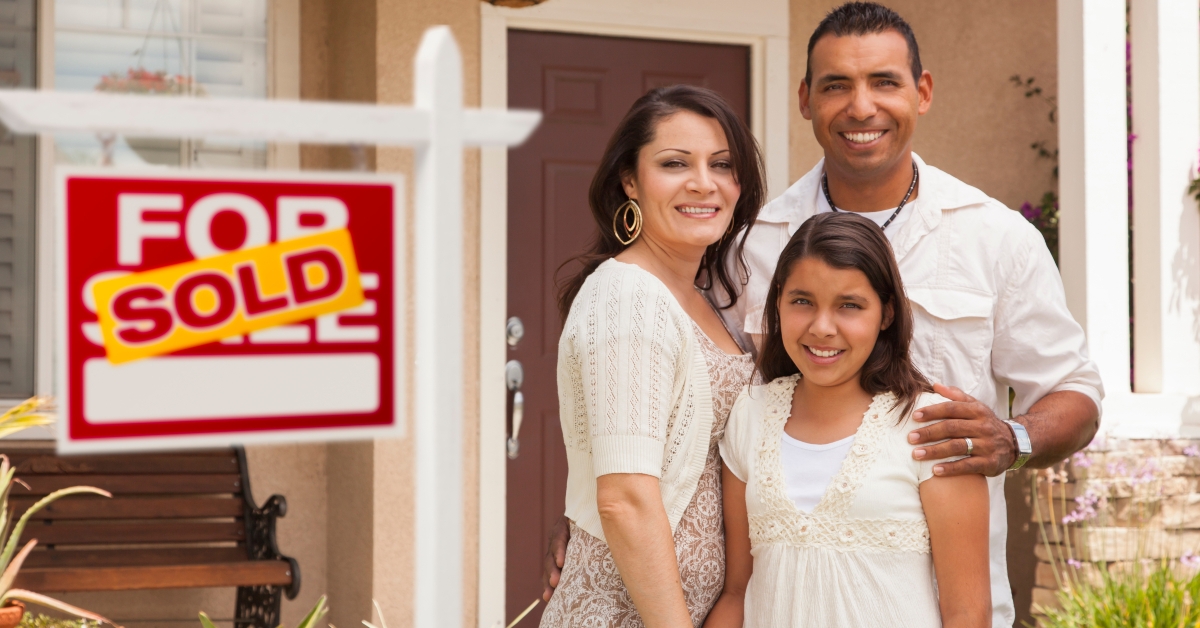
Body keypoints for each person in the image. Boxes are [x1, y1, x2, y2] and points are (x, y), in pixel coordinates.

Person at [545, 4, 1104, 626]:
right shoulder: (745, 244)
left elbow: (1074, 392)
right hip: (772, 599)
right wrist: (599, 511)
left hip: (945, 602)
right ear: (806, 99)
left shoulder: (996, 237)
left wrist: (1013, 437)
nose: (861, 107)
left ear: (922, 92)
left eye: (884, 82)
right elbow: (677, 406)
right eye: (837, 85)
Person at [538, 84, 765, 628]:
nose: (703, 183)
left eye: (722, 164)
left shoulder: (707, 294)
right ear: (630, 180)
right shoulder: (627, 296)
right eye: (674, 163)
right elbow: (625, 499)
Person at [705, 212, 990, 628]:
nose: (822, 327)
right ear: (779, 301)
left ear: (886, 314)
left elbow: (968, 613)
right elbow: (736, 593)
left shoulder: (932, 427)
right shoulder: (751, 413)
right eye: (802, 301)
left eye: (850, 306)